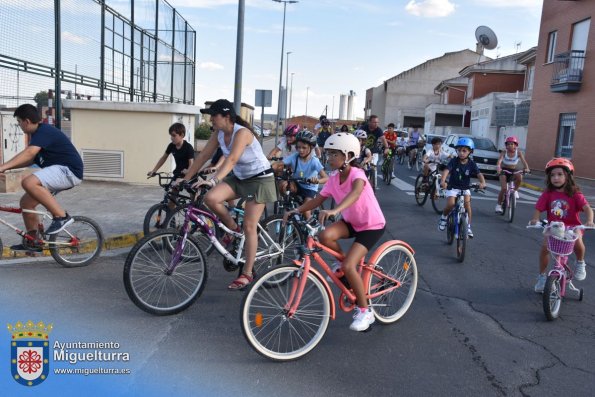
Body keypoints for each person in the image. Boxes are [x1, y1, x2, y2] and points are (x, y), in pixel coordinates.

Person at [284, 133, 385, 332]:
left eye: (333, 155)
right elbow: (317, 200)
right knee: (324, 236)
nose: (328, 158)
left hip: (371, 225)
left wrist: (335, 210)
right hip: (352, 222)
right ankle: (346, 267)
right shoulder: (333, 178)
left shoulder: (358, 174)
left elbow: (355, 194)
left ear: (347, 156)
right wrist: (296, 210)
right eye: (328, 154)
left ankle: (365, 311)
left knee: (349, 265)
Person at [179, 99, 277, 290]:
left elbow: (231, 159)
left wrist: (214, 180)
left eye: (213, 116)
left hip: (260, 179)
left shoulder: (242, 133)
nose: (210, 120)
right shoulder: (219, 133)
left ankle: (247, 273)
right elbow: (203, 156)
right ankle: (234, 230)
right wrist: (185, 179)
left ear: (226, 116)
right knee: (211, 198)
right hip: (241, 178)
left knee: (250, 225)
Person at [0, 104, 84, 251]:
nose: (19, 125)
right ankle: (33, 241)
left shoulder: (44, 131)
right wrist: (7, 169)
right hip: (59, 172)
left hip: (69, 171)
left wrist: (2, 167)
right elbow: (29, 160)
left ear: (26, 121)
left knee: (29, 182)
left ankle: (61, 216)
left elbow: (28, 154)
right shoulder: (37, 135)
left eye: (19, 122)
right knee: (26, 203)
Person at [529, 158, 594, 293]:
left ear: (568, 176)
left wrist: (589, 220)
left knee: (577, 242)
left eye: (559, 174)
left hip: (572, 226)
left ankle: (580, 262)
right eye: (552, 175)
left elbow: (587, 208)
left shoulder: (575, 193)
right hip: (554, 226)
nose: (555, 178)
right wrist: (535, 219)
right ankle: (542, 277)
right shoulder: (548, 193)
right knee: (545, 248)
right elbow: (538, 208)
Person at [438, 137, 486, 238]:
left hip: (465, 188)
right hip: (453, 187)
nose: (461, 153)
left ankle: (468, 226)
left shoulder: (472, 163)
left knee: (467, 206)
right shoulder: (454, 161)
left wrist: (482, 182)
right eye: (459, 150)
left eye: (464, 151)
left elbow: (479, 173)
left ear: (470, 152)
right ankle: (444, 217)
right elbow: (446, 171)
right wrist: (443, 181)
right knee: (450, 204)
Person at [280, 130, 328, 219]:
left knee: (306, 211)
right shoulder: (295, 156)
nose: (300, 150)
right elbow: (281, 163)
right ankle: (288, 205)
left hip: (309, 188)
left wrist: (317, 180)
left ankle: (310, 229)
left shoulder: (314, 161)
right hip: (297, 185)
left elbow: (326, 178)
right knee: (283, 185)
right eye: (298, 147)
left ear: (311, 147)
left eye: (304, 147)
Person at [147, 123, 195, 210]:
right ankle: (170, 219)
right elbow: (163, 158)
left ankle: (197, 217)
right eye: (171, 135)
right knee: (172, 197)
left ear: (182, 135)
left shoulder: (188, 147)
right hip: (178, 174)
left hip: (191, 174)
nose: (171, 138)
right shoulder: (171, 146)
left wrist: (188, 171)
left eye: (174, 135)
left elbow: (192, 163)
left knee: (193, 199)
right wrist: (154, 170)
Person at [495, 136, 530, 214]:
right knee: (504, 188)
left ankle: (515, 191)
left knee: (520, 177)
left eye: (512, 144)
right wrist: (498, 168)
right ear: (506, 145)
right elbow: (499, 161)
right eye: (508, 144)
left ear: (516, 145)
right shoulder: (504, 152)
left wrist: (527, 168)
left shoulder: (519, 153)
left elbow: (524, 162)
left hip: (514, 170)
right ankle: (498, 205)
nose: (510, 145)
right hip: (504, 170)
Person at [361, 115, 389, 188]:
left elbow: (383, 139)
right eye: (374, 122)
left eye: (377, 122)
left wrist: (386, 148)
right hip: (362, 150)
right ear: (369, 122)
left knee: (373, 166)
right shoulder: (363, 128)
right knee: (361, 166)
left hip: (373, 151)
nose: (376, 124)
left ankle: (372, 181)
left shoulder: (378, 130)